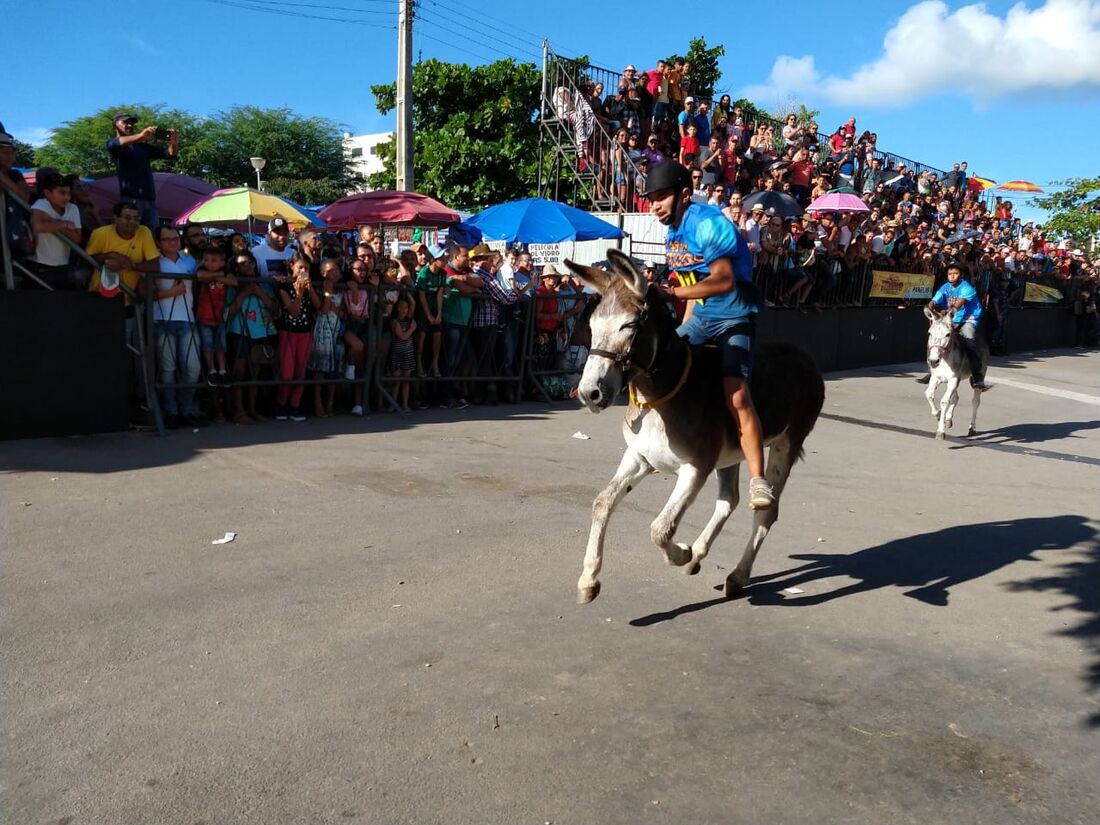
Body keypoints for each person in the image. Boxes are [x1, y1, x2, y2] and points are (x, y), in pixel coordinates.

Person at [645, 161, 773, 509]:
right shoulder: (673, 230)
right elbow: (692, 286)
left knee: (737, 397)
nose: (654, 205)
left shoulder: (709, 223)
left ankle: (758, 480)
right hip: (701, 315)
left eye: (660, 197)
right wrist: (680, 333)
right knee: (661, 361)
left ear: (684, 194)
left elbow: (723, 279)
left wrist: (671, 295)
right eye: (650, 198)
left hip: (734, 314)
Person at [151, 225, 205, 429]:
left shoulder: (190, 262)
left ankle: (186, 408)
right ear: (159, 243)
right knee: (168, 369)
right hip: (163, 319)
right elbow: (146, 294)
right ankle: (171, 411)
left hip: (187, 319)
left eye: (175, 238)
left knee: (193, 367)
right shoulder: (155, 263)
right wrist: (172, 292)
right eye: (167, 239)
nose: (173, 242)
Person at [106, 112, 178, 230]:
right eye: (125, 122)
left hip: (150, 201)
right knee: (131, 234)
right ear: (115, 125)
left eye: (131, 123)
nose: (130, 125)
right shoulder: (113, 143)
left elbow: (170, 154)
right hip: (130, 201)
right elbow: (119, 142)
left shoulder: (142, 147)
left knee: (153, 237)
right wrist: (141, 136)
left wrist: (174, 143)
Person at [925, 261, 988, 389]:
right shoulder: (945, 287)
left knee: (969, 340)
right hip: (951, 319)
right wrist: (930, 306)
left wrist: (946, 311)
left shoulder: (967, 288)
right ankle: (931, 371)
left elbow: (958, 304)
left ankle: (977, 376)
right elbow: (935, 300)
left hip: (968, 319)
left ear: (961, 275)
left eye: (955, 273)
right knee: (935, 338)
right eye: (950, 273)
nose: (952, 276)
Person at [275, 254, 321, 421]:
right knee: (287, 371)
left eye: (306, 268)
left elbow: (319, 306)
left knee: (301, 371)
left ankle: (295, 405)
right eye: (300, 267)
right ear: (292, 267)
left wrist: (310, 290)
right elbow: (293, 310)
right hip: (288, 332)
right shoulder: (284, 287)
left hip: (305, 332)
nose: (303, 271)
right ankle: (281, 404)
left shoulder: (309, 287)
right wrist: (299, 293)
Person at [27, 171, 81, 289]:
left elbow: (77, 238)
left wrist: (51, 222)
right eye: (61, 193)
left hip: (63, 266)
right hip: (39, 265)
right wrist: (64, 225)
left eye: (68, 193)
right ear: (47, 193)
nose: (66, 197)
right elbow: (39, 226)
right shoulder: (41, 204)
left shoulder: (73, 208)